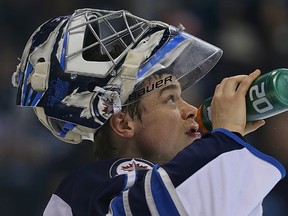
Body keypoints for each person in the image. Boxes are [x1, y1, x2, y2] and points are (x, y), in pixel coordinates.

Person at [12, 8, 285, 216]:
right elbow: (174, 203)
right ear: (123, 123)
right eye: (170, 100)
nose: (191, 111)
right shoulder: (97, 184)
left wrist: (225, 147)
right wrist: (225, 137)